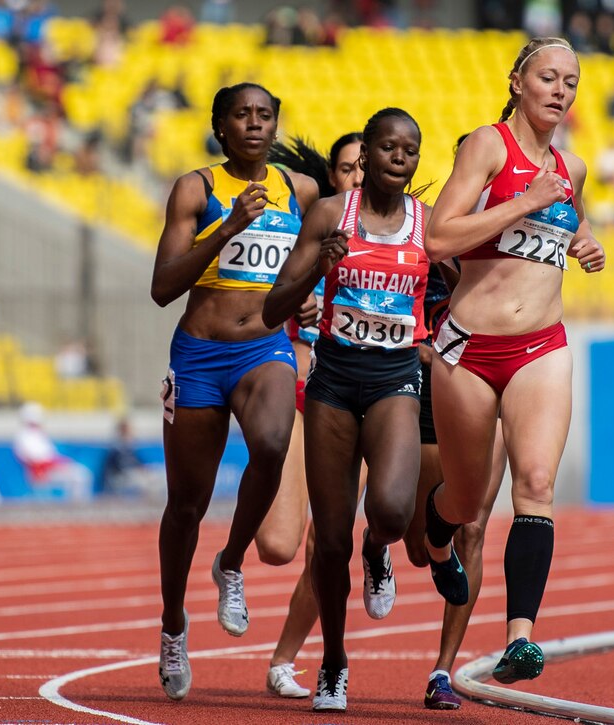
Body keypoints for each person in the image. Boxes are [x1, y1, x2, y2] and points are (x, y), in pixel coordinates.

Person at [422, 37, 606, 687]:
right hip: (470, 350)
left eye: (571, 82)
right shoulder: (487, 146)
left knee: (534, 480)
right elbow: (438, 236)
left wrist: (583, 241)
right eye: (548, 77)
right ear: (518, 81)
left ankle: (520, 638)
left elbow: (569, 213)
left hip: (541, 347)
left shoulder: (571, 166)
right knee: (468, 499)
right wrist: (526, 200)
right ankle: (436, 531)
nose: (560, 90)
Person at [149, 82, 319, 702]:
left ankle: (232, 562)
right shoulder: (197, 188)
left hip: (264, 347)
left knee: (273, 443)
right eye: (241, 115)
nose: (254, 123)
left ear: (276, 126)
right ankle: (172, 624)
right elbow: (163, 286)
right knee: (185, 505)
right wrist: (226, 229)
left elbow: (313, 267)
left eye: (265, 115)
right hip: (198, 354)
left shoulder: (300, 192)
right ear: (220, 127)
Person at [264, 107, 430, 713]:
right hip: (333, 383)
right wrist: (316, 265)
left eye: (407, 151)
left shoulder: (428, 226)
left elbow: (463, 289)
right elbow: (273, 305)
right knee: (327, 543)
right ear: (364, 162)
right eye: (384, 148)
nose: (395, 158)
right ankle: (333, 659)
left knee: (388, 510)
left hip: (393, 380)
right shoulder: (333, 215)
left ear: (416, 160)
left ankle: (378, 548)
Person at [255, 131, 365, 699]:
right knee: (277, 545)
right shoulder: (311, 229)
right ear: (335, 176)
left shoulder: (407, 233)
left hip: (366, 395)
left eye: (367, 166)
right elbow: (263, 296)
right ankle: (232, 559)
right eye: (348, 167)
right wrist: (300, 290)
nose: (360, 176)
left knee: (332, 543)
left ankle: (285, 661)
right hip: (304, 392)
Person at [12, 401, 93, 501]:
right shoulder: (24, 436)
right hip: (41, 473)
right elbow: (36, 460)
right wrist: (58, 463)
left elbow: (49, 455)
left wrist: (60, 462)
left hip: (49, 469)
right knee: (79, 476)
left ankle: (74, 506)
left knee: (80, 474)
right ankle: (76, 507)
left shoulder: (38, 434)